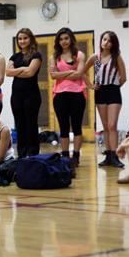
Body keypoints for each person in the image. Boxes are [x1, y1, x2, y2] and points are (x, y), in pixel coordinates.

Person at [85, 31, 126, 168]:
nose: (106, 42)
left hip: (113, 91)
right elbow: (83, 71)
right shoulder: (95, 57)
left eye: (109, 40)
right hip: (100, 92)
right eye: (104, 39)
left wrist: (114, 86)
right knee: (105, 125)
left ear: (113, 43)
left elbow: (123, 77)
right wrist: (90, 85)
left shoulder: (116, 57)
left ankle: (114, 155)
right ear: (101, 41)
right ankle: (108, 155)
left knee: (112, 125)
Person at [49, 28, 87, 168]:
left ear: (71, 39)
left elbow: (79, 74)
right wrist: (72, 71)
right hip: (59, 95)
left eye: (66, 38)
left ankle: (76, 156)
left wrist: (63, 74)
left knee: (77, 127)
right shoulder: (54, 57)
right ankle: (65, 155)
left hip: (77, 94)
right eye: (61, 39)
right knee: (63, 127)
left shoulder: (79, 55)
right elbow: (52, 75)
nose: (64, 41)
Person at [6, 28, 42, 158]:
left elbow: (30, 72)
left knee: (31, 124)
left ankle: (33, 153)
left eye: (25, 38)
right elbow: (8, 72)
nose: (22, 41)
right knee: (20, 124)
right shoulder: (14, 56)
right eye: (20, 39)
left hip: (31, 95)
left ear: (31, 39)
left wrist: (18, 70)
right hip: (16, 95)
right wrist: (22, 69)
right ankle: (21, 154)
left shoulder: (36, 55)